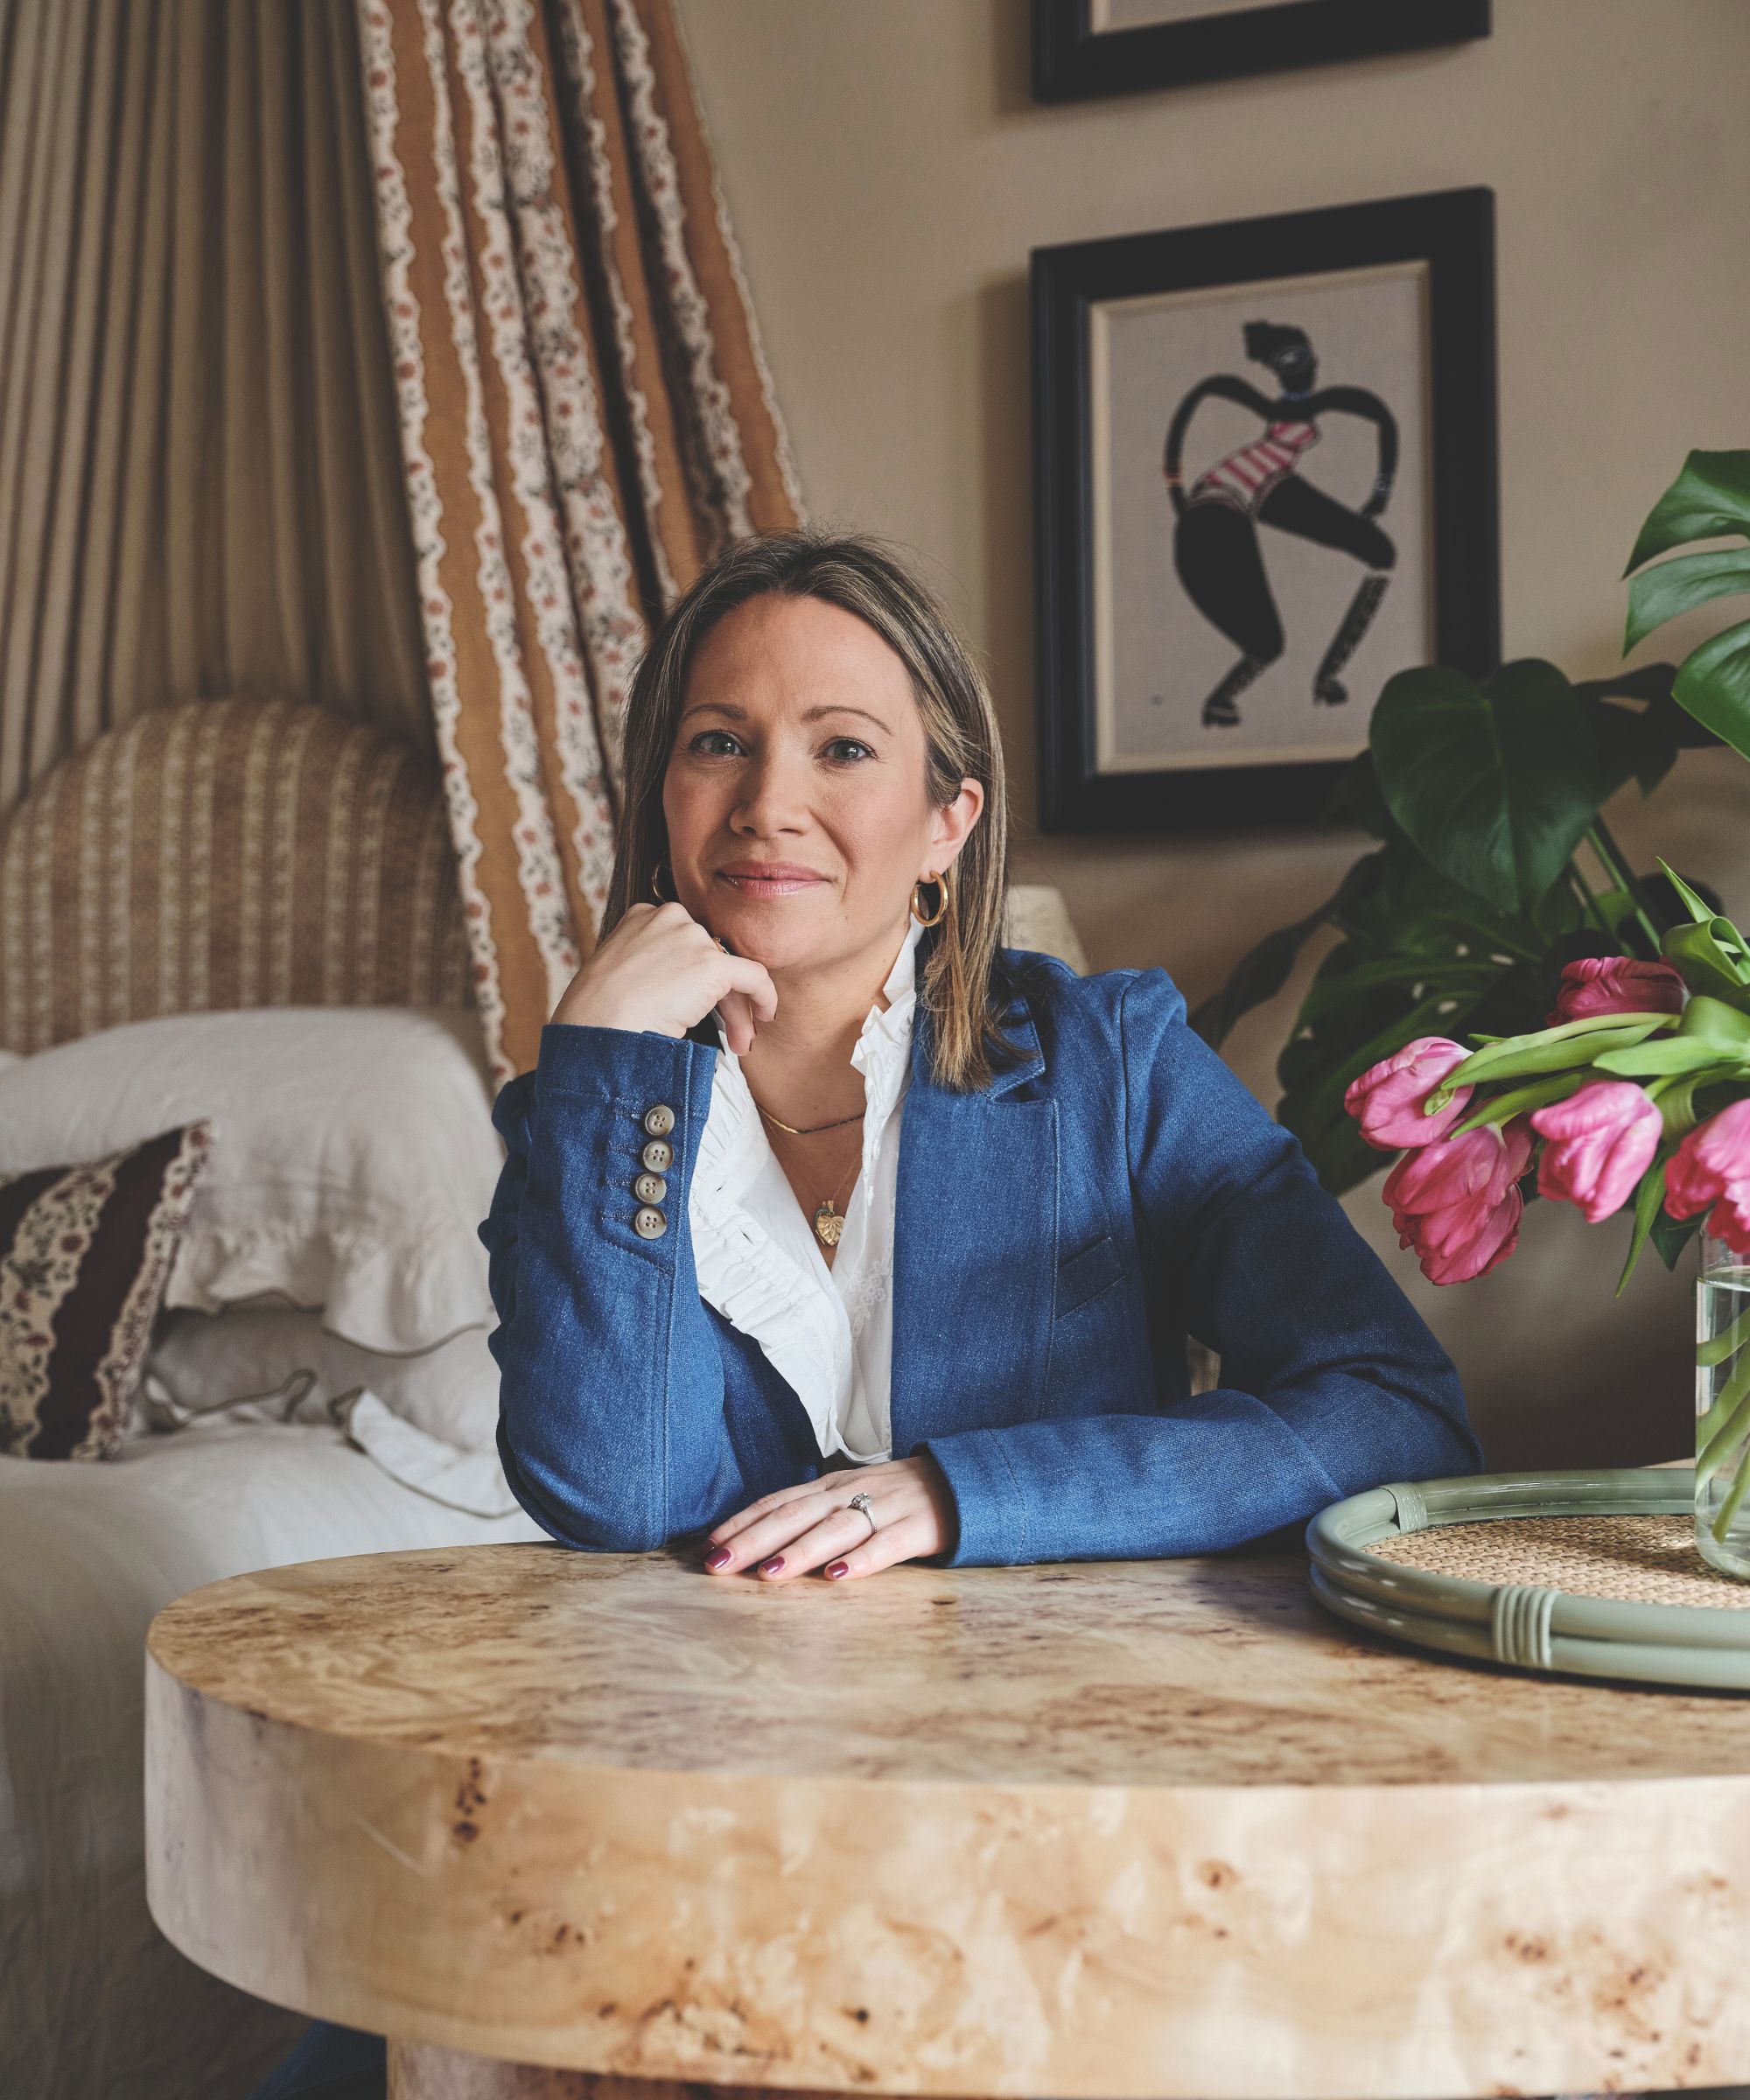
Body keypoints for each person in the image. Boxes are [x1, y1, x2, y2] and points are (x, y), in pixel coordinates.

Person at [249, 523, 1483, 2096]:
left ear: (946, 820)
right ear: (662, 804)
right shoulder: (584, 1115)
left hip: (1057, 1819)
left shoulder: (1107, 1062)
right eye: (718, 745)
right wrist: (615, 1070)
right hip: (688, 1815)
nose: (770, 803)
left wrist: (958, 1493)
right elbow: (613, 1489)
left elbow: (1391, 1401)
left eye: (843, 747)